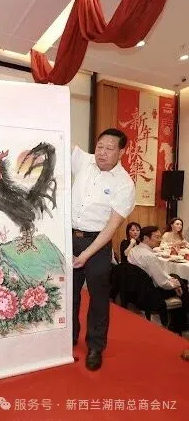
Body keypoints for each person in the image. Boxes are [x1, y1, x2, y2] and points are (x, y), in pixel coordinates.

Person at [72, 128, 135, 371]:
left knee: (98, 297)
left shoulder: (124, 184)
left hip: (98, 243)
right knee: (69, 292)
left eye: (109, 149)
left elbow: (111, 227)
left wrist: (86, 254)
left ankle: (95, 346)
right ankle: (69, 336)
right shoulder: (84, 161)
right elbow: (58, 141)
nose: (102, 153)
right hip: (71, 237)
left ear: (121, 152)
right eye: (100, 147)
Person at [128, 226, 189, 330]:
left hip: (137, 289)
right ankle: (180, 323)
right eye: (157, 237)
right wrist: (176, 285)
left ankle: (179, 321)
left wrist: (174, 282)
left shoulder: (134, 250)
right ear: (146, 238)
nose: (160, 240)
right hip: (150, 292)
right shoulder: (149, 256)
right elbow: (162, 283)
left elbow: (161, 275)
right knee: (183, 285)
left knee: (176, 278)